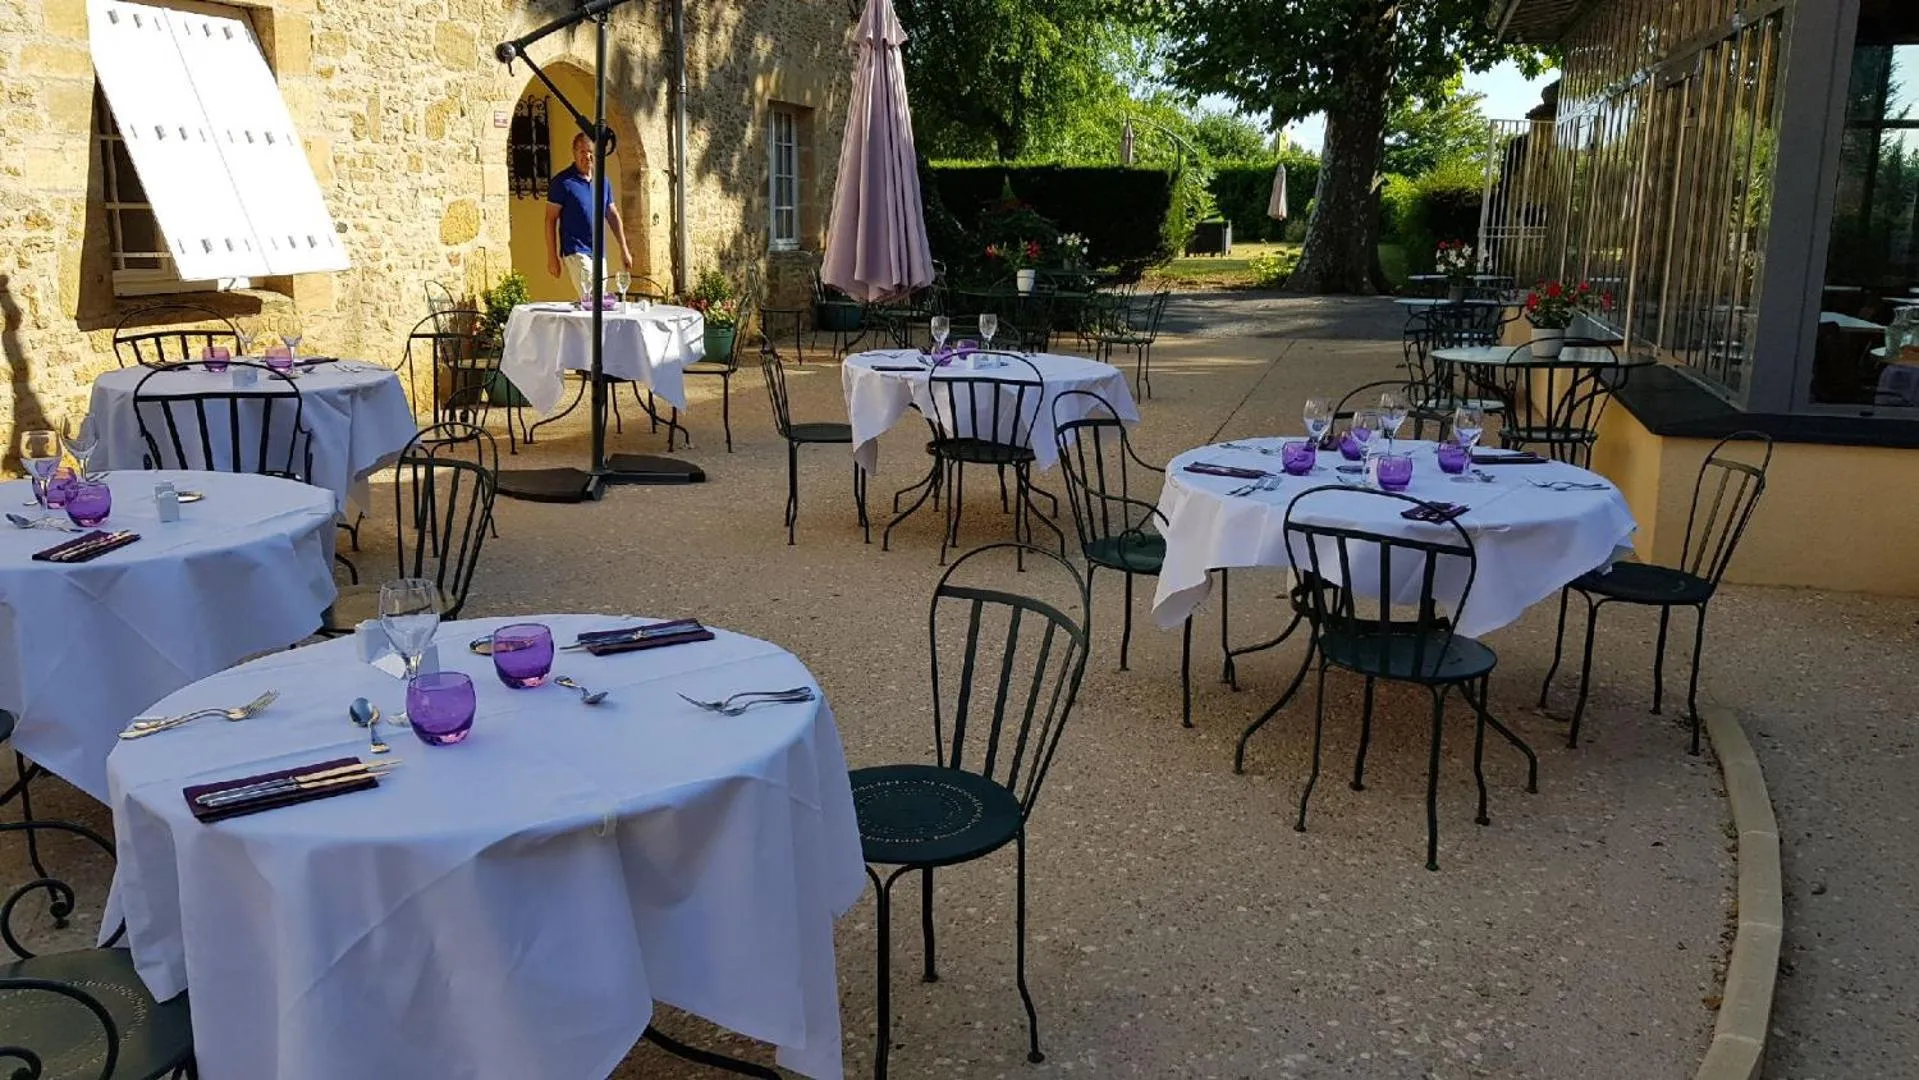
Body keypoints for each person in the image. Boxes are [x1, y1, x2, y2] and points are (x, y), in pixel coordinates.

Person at [545, 131, 634, 296]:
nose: (587, 156)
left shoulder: (603, 182)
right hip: (575, 250)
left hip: (599, 252)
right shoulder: (562, 182)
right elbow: (550, 220)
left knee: (596, 302)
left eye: (590, 151)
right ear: (574, 153)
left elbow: (612, 215)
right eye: (582, 151)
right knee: (592, 297)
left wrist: (624, 249)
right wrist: (552, 256)